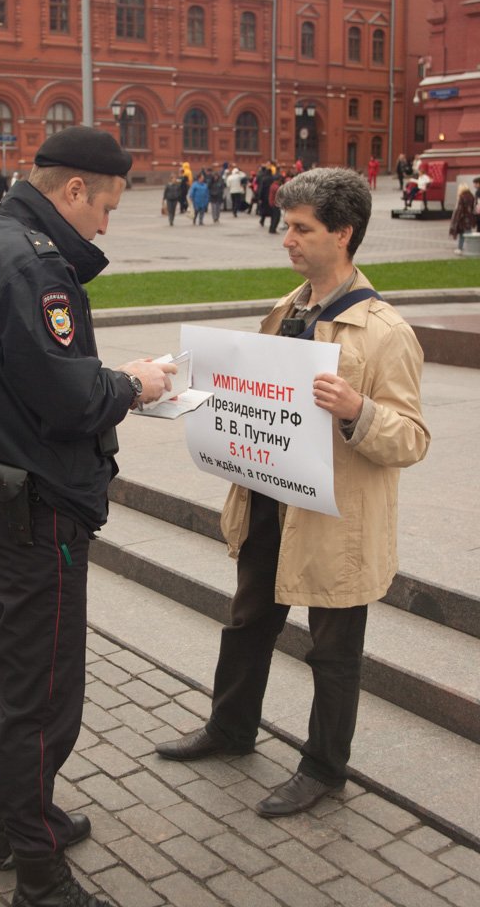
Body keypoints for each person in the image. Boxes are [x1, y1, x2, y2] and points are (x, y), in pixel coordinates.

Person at [0, 125, 176, 907]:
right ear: (74, 190)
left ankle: (19, 819)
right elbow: (68, 398)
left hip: (2, 496)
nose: (107, 224)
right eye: (106, 206)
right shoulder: (31, 263)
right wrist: (134, 384)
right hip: (39, 509)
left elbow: (21, 380)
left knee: (10, 678)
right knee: (42, 696)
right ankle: (39, 876)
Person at [156, 166, 430, 820]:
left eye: (302, 228)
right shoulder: (287, 310)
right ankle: (230, 729)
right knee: (248, 623)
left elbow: (412, 438)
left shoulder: (384, 331)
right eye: (288, 225)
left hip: (338, 523)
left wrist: (357, 409)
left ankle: (323, 769)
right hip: (268, 504)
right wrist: (190, 384)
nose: (288, 238)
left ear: (343, 233)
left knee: (334, 651)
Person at [448, 183, 475, 255]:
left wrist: (456, 219)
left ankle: (460, 248)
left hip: (462, 219)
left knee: (462, 234)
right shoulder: (471, 196)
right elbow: (472, 207)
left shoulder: (461, 196)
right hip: (469, 218)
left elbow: (459, 209)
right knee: (469, 233)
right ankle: (471, 247)